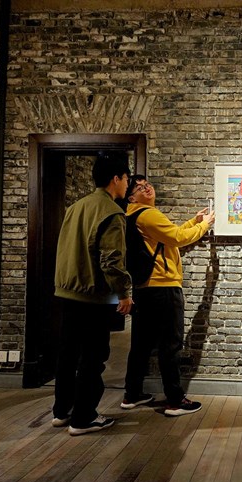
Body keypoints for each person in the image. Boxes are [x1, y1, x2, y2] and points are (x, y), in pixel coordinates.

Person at [52, 154, 133, 436]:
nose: (127, 185)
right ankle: (83, 418)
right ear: (116, 178)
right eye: (126, 179)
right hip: (92, 296)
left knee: (67, 354)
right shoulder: (111, 212)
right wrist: (124, 293)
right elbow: (112, 261)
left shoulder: (76, 207)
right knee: (93, 357)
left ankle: (62, 412)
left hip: (67, 292)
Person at [121, 175, 215, 416]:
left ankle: (132, 394)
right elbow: (177, 238)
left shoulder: (133, 215)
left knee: (141, 344)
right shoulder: (148, 214)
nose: (147, 188)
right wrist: (204, 226)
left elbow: (169, 236)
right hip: (163, 286)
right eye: (139, 188)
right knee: (170, 344)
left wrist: (193, 221)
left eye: (147, 184)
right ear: (131, 197)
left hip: (145, 288)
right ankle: (175, 400)